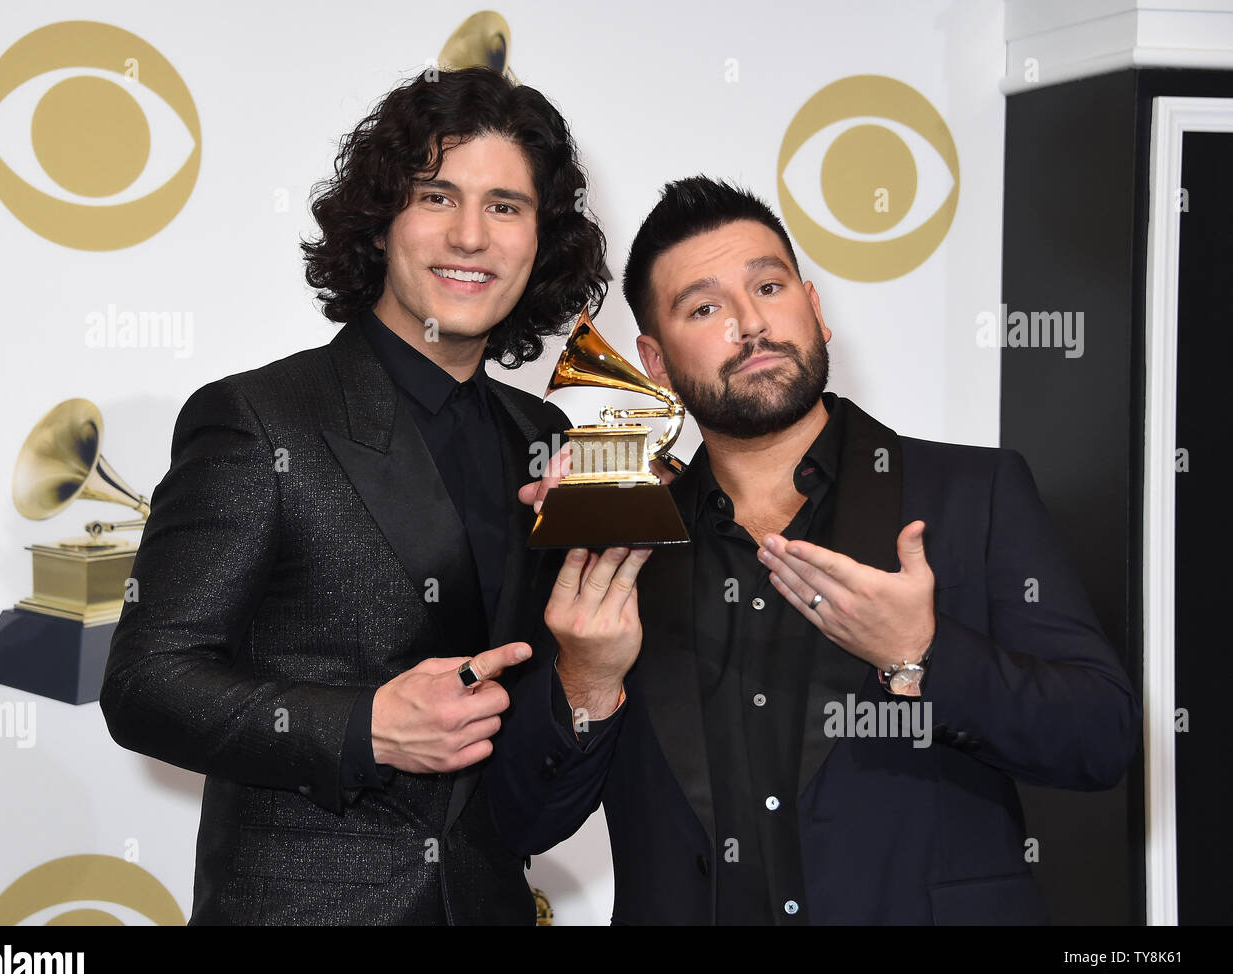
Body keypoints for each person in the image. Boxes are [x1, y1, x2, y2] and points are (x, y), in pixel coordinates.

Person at [488, 176, 1140, 925]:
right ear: (655, 361)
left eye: (768, 287)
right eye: (704, 308)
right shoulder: (615, 543)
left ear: (815, 309)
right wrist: (587, 681)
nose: (750, 323)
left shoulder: (974, 493)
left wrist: (923, 654)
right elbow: (521, 824)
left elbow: (1101, 739)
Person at [99, 67, 605, 925]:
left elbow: (533, 757)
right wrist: (364, 725)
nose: (471, 235)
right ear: (380, 220)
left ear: (540, 238)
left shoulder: (544, 435)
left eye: (506, 206)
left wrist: (595, 658)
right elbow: (146, 683)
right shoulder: (260, 418)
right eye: (437, 196)